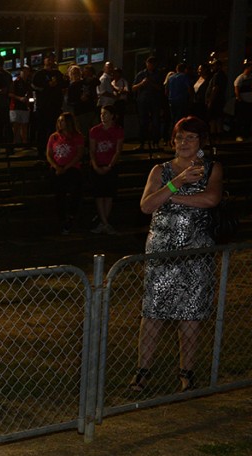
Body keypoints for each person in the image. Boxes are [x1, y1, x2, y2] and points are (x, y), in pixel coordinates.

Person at [131, 116, 223, 394]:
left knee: (191, 313)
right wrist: (178, 182)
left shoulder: (212, 169)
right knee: (153, 312)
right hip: (162, 252)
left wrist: (170, 197)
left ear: (202, 142)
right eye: (180, 137)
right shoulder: (160, 170)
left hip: (196, 252)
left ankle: (187, 372)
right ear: (172, 140)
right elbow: (147, 206)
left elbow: (210, 199)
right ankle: (142, 372)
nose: (184, 143)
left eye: (191, 138)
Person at [45, 112, 85, 235]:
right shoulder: (54, 137)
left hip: (72, 167)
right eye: (59, 121)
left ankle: (71, 216)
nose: (61, 124)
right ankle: (62, 220)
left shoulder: (77, 137)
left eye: (63, 121)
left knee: (75, 191)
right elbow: (49, 154)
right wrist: (56, 166)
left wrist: (66, 167)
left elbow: (79, 154)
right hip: (57, 168)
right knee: (59, 194)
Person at [89, 106, 125, 234]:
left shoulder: (118, 130)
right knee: (99, 194)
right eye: (101, 114)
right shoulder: (95, 130)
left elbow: (118, 150)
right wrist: (95, 166)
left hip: (111, 165)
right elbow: (92, 150)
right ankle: (104, 222)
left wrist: (110, 166)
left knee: (109, 194)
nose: (103, 116)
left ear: (112, 116)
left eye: (105, 114)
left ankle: (104, 222)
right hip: (98, 164)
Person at [31, 54, 66, 155]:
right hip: (43, 106)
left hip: (55, 106)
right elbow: (34, 86)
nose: (50, 61)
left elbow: (63, 85)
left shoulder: (58, 73)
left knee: (54, 129)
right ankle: (41, 151)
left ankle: (54, 149)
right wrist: (47, 86)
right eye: (48, 59)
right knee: (42, 129)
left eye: (52, 59)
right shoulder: (39, 74)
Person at [133, 57, 165, 148]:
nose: (150, 65)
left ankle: (155, 142)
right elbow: (133, 88)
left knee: (156, 122)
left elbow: (161, 88)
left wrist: (151, 83)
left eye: (152, 64)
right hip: (143, 102)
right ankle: (142, 142)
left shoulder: (159, 74)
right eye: (149, 63)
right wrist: (141, 84)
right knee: (143, 123)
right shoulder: (141, 74)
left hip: (155, 102)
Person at [8, 65, 33, 148]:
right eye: (24, 71)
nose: (26, 73)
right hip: (16, 107)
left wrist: (28, 100)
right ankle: (15, 143)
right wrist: (19, 98)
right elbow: (10, 93)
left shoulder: (28, 83)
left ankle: (24, 143)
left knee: (25, 126)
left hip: (25, 107)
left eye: (27, 71)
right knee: (16, 126)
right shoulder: (16, 82)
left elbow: (30, 95)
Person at [234, 59, 252, 141]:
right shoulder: (240, 78)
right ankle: (239, 135)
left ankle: (247, 134)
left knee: (248, 119)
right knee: (241, 119)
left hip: (249, 102)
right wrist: (239, 99)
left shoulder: (250, 77)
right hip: (243, 102)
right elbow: (236, 88)